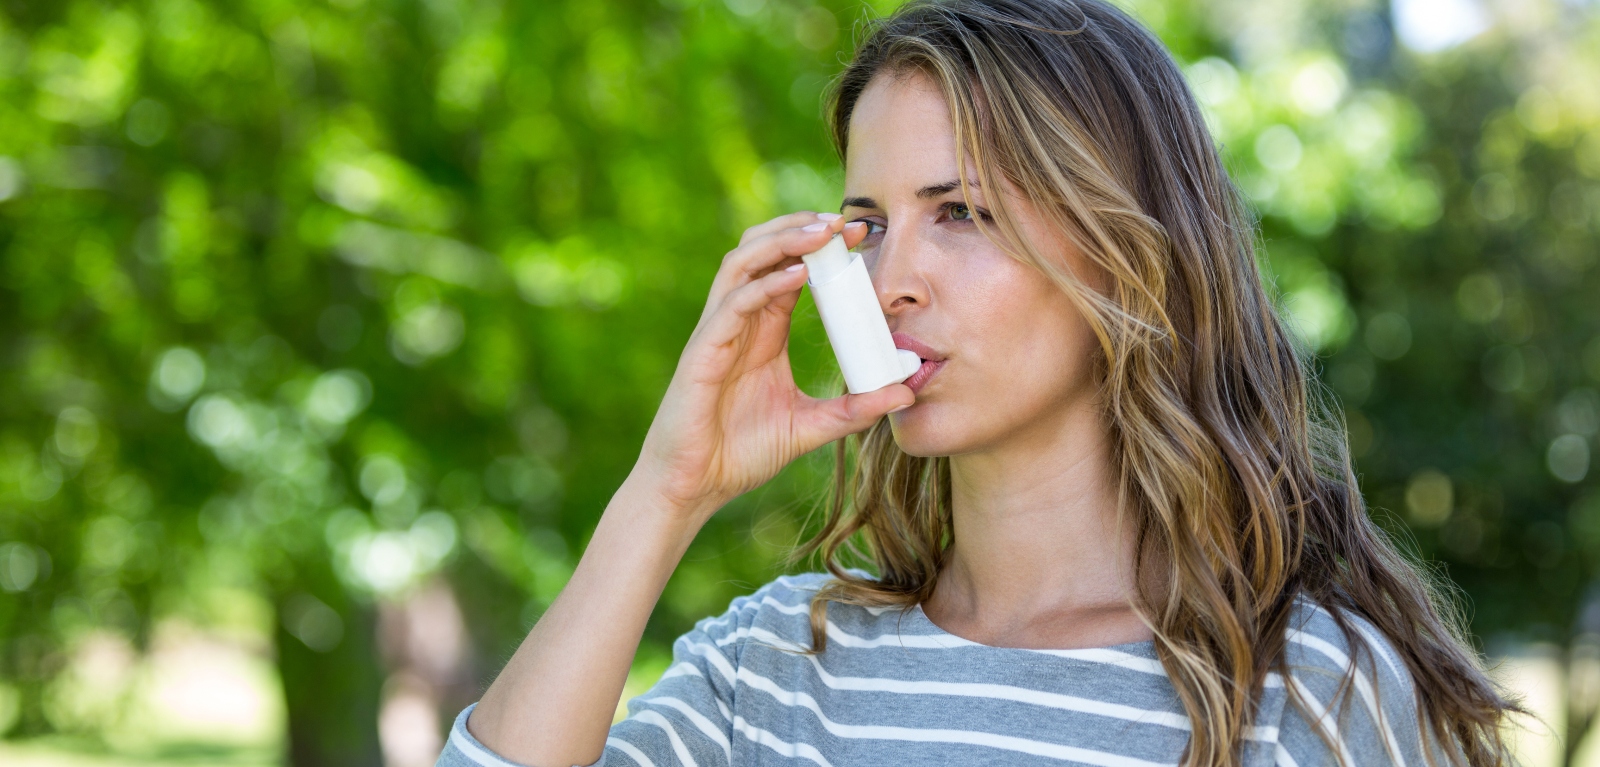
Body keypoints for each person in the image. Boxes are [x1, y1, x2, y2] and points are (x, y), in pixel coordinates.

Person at [437, 0, 1518, 765]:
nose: (889, 279)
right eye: (866, 225)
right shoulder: (774, 663)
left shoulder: (1308, 694)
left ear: (1128, 248)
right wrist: (663, 493)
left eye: (960, 212)